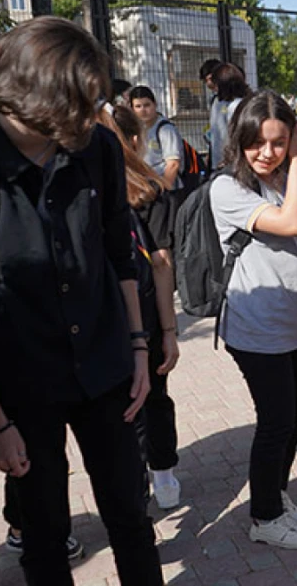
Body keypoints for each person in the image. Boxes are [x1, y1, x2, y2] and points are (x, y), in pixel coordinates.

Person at [0, 16, 163, 586]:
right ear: (37, 96)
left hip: (105, 364)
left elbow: (117, 250)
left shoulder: (96, 147)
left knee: (131, 514)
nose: (93, 114)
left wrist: (137, 346)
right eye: (83, 101)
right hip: (20, 384)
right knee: (46, 532)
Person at [209, 90, 297, 549]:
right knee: (275, 421)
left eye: (279, 142)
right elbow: (293, 223)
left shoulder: (280, 178)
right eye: (257, 142)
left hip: (295, 320)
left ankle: (275, 495)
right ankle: (264, 519)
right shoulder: (228, 188)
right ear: (239, 139)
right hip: (256, 327)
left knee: (295, 417)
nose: (268, 152)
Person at [103, 104, 183, 508]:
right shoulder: (149, 191)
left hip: (106, 317)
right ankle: (163, 473)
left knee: (122, 407)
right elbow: (163, 263)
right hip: (148, 315)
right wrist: (170, 331)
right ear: (136, 140)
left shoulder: (89, 188)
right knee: (155, 394)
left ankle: (134, 487)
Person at [129, 86, 184, 190]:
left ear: (155, 104)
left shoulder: (166, 129)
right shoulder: (137, 130)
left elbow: (173, 164)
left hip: (165, 189)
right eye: (138, 106)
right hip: (146, 187)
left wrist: (163, 189)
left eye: (147, 105)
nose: (143, 110)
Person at [209, 63, 250, 170]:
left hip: (234, 164)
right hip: (220, 162)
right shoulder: (218, 102)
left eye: (216, 85)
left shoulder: (239, 105)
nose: (214, 89)